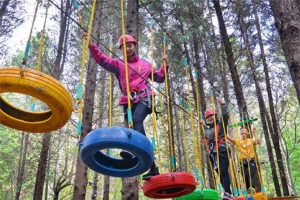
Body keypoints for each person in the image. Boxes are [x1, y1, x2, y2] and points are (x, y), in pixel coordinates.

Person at [84, 32, 168, 180]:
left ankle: (135, 151)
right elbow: (103, 60)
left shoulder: (145, 64)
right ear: (121, 50)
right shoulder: (118, 64)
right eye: (124, 47)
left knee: (137, 120)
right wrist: (92, 46)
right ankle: (153, 168)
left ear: (134, 46)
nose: (128, 49)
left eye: (130, 46)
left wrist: (164, 66)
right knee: (134, 129)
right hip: (128, 101)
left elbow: (159, 78)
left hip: (145, 97)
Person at [201, 97, 232, 200]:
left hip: (222, 150)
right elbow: (208, 138)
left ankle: (227, 192)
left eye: (212, 116)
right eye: (208, 117)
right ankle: (227, 193)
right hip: (213, 155)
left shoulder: (221, 124)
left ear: (215, 116)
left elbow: (225, 115)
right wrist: (204, 126)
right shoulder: (208, 129)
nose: (210, 118)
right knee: (220, 174)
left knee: (223, 171)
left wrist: (223, 103)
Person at [226, 127, 260, 192]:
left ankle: (252, 188)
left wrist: (254, 132)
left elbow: (258, 141)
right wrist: (222, 127)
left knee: (252, 174)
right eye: (241, 132)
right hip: (242, 162)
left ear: (247, 133)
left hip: (251, 160)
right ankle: (248, 190)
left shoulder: (250, 140)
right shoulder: (237, 141)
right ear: (240, 133)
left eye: (244, 132)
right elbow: (228, 137)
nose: (243, 133)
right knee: (245, 176)